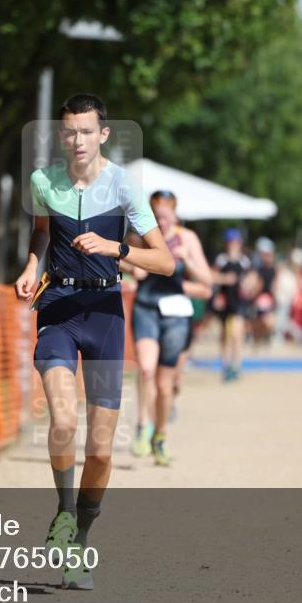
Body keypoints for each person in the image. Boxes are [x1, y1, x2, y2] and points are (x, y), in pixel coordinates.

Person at [14, 94, 174, 589]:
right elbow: (42, 234)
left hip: (105, 313)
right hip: (58, 308)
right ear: (61, 135)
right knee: (63, 420)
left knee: (101, 451)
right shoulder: (43, 181)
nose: (78, 140)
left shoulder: (123, 186)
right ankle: (64, 513)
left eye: (86, 131)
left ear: (103, 134)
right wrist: (31, 266)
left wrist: (116, 248)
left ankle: (79, 541)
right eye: (70, 131)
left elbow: (165, 262)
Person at [126, 190, 212, 466]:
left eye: (165, 217)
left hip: (175, 314)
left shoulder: (187, 238)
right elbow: (127, 265)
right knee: (146, 369)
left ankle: (160, 436)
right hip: (146, 308)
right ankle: (143, 425)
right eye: (156, 216)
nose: (160, 222)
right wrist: (133, 266)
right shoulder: (143, 236)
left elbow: (206, 283)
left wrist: (186, 261)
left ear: (175, 215)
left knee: (166, 386)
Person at [211, 228, 249, 381]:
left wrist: (247, 286)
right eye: (230, 242)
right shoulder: (221, 259)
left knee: (237, 334)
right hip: (224, 301)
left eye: (235, 242)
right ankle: (225, 365)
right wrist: (225, 279)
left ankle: (236, 366)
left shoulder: (244, 261)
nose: (232, 245)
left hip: (238, 302)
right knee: (225, 335)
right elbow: (211, 276)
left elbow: (252, 278)